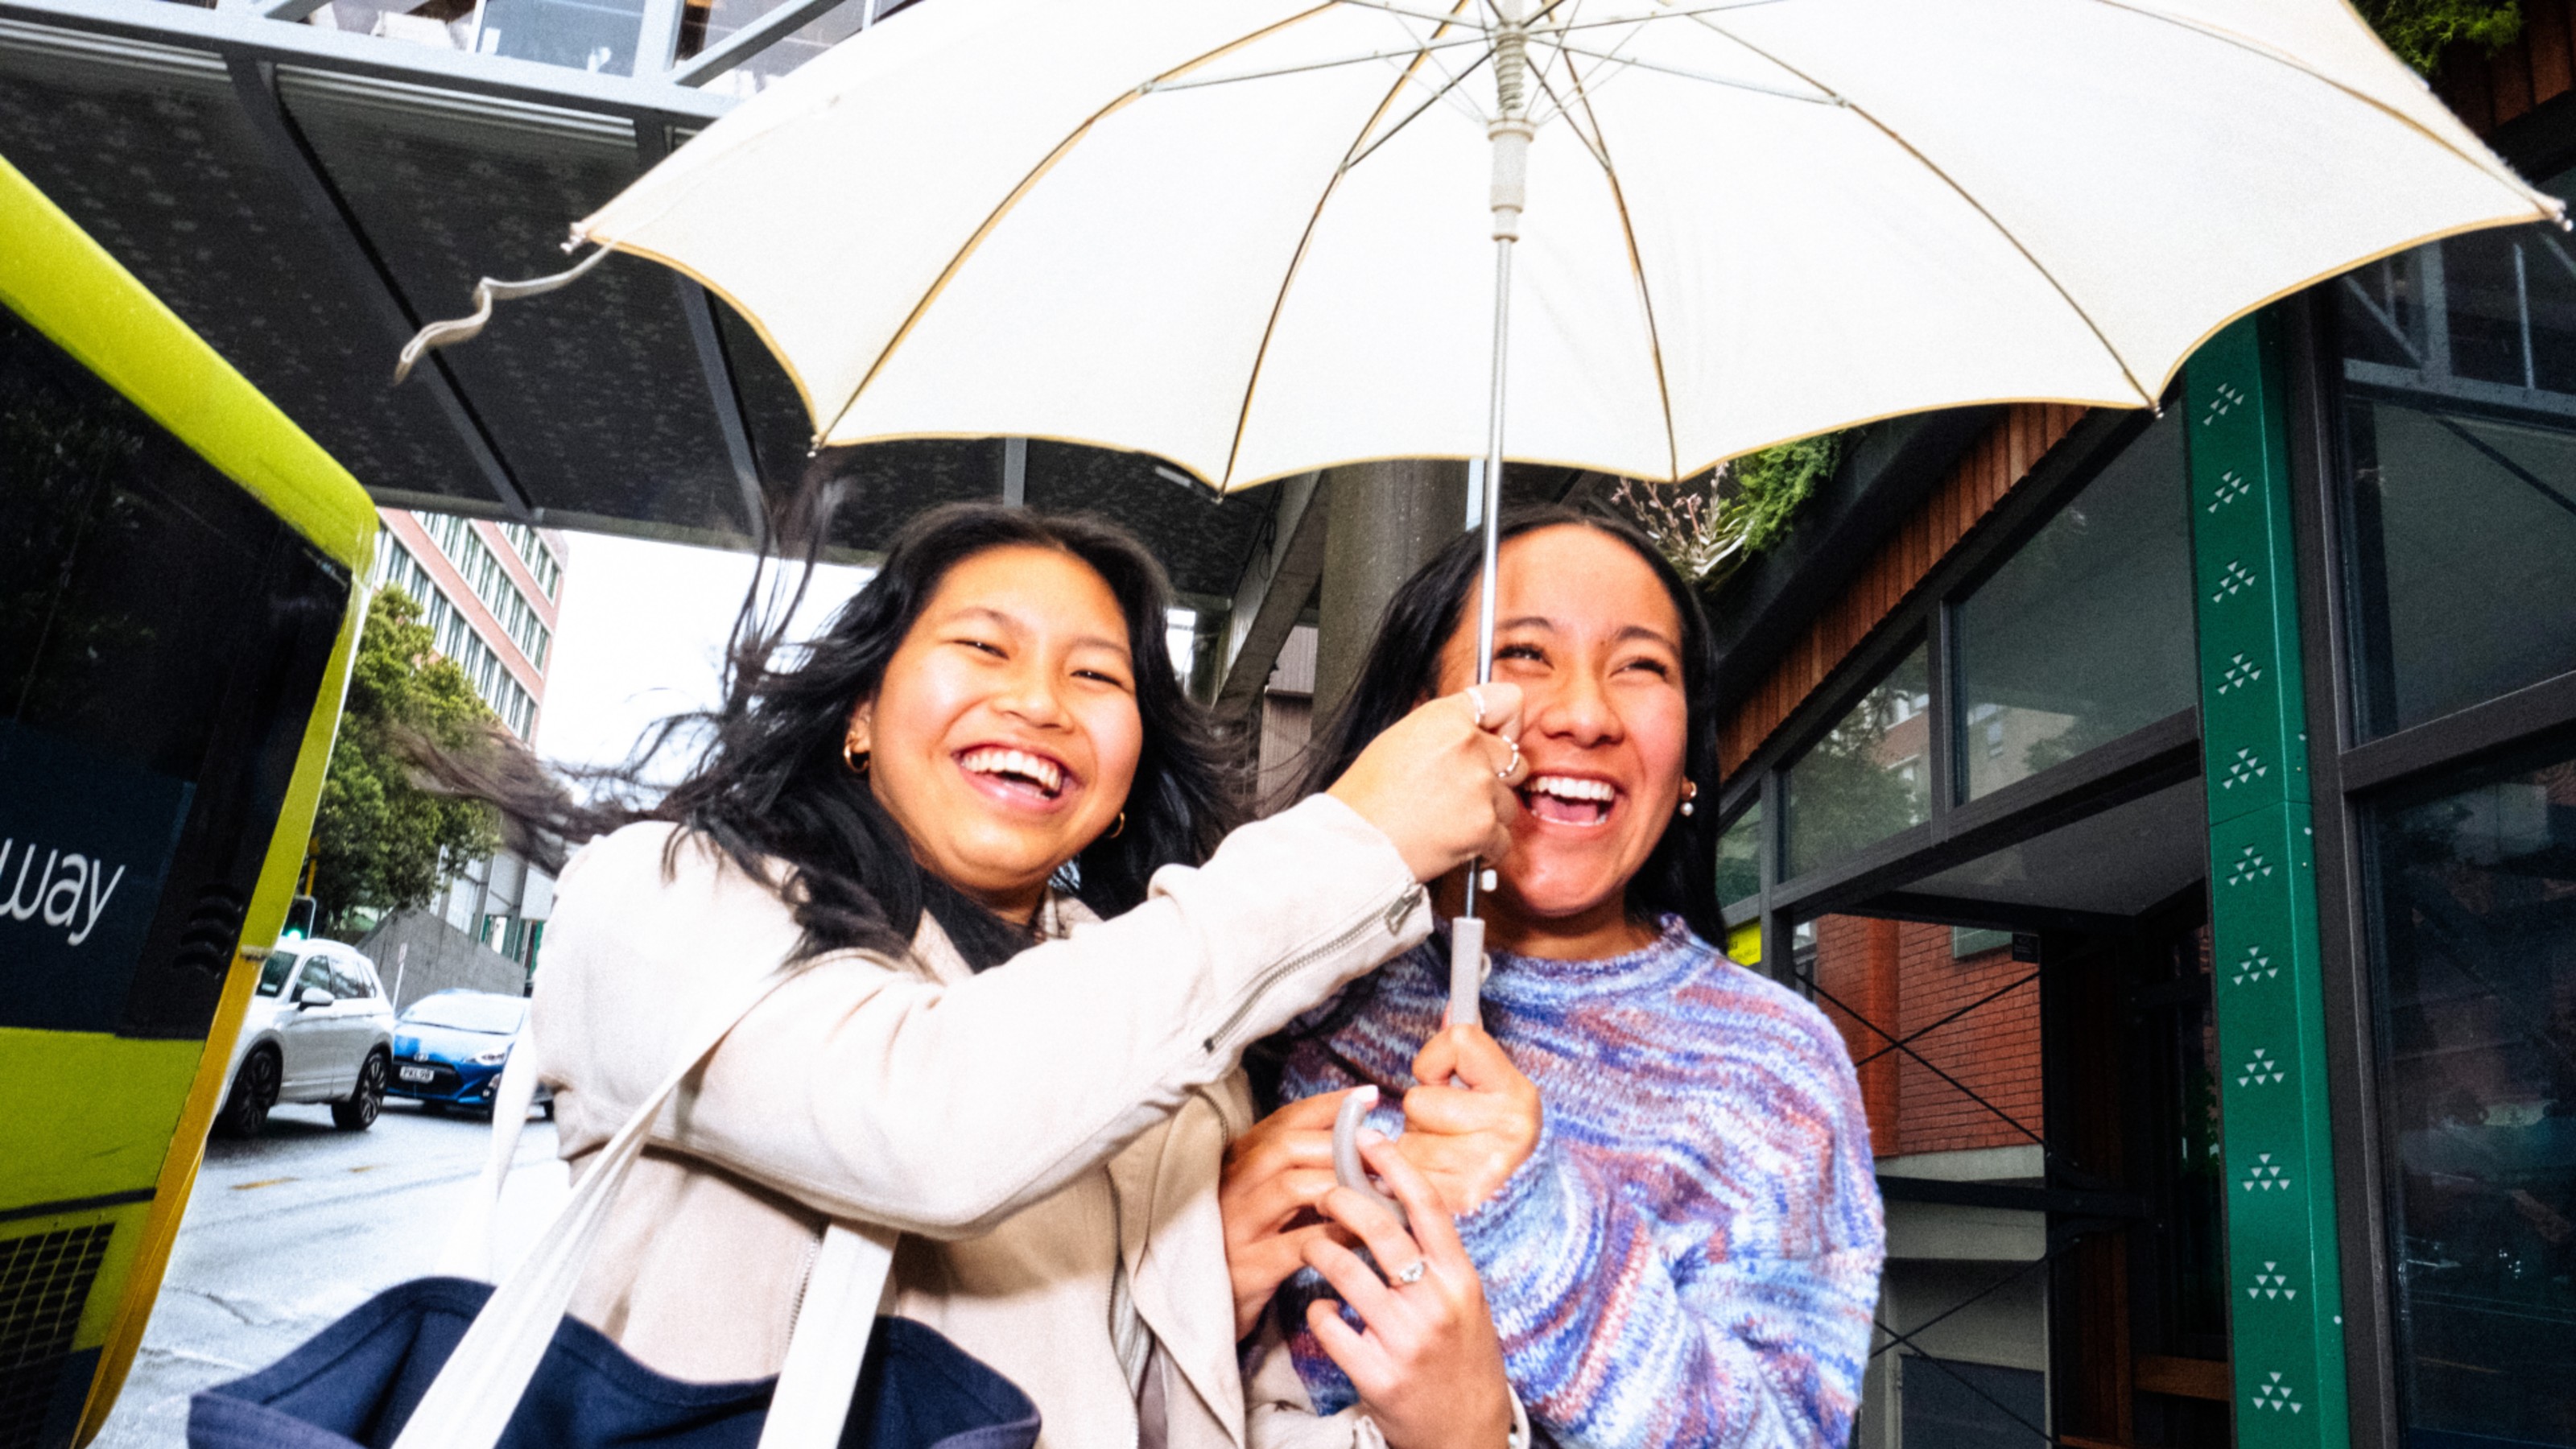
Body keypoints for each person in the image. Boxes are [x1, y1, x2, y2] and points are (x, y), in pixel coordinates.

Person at [506, 502, 1533, 1449]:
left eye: (1096, 676)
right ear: (859, 712)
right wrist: (1357, 846)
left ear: (1128, 773)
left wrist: (1458, 1429)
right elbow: (922, 1123)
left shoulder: (1175, 1054)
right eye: (982, 647)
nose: (1039, 701)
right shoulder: (662, 897)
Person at [1224, 507, 1885, 1448]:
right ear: (1424, 716)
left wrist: (1533, 1225)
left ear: (1688, 754)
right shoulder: (1290, 995)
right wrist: (1208, 1278)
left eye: (1640, 666)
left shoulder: (1776, 1069)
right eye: (1524, 655)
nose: (1582, 713)